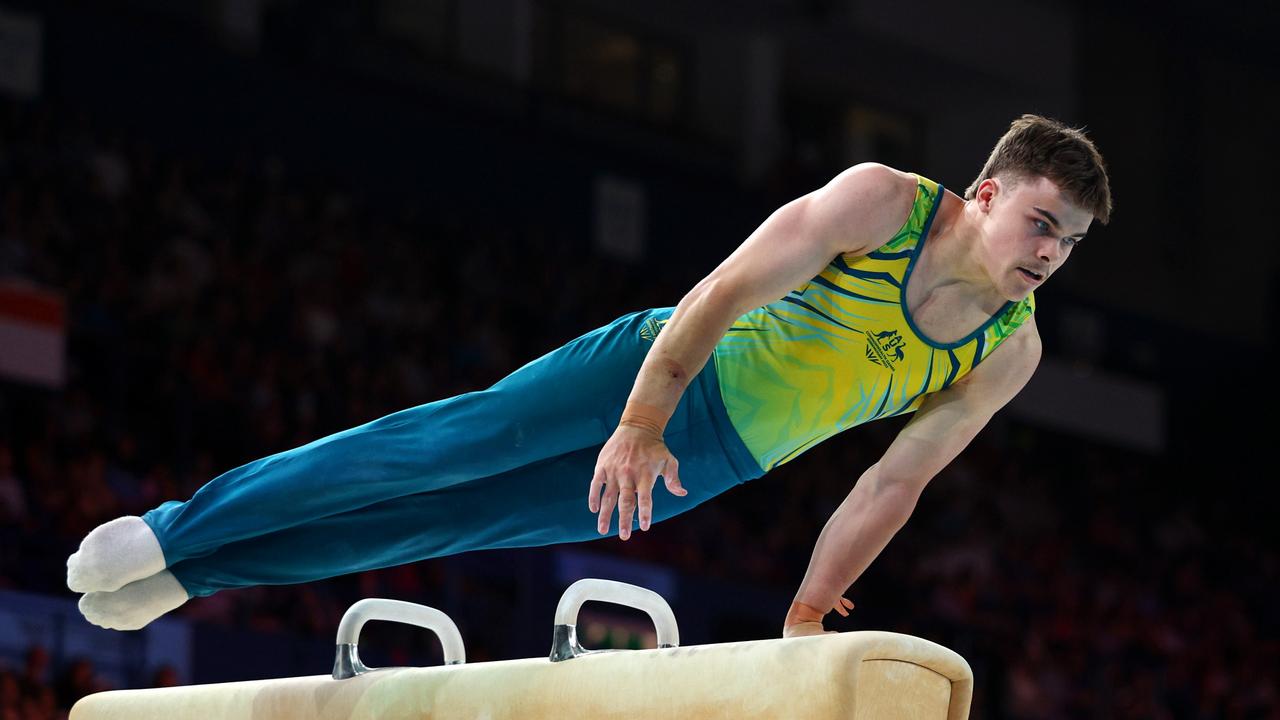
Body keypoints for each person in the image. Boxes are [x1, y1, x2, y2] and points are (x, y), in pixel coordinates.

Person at [67, 114, 1111, 637]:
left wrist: (810, 604)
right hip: (659, 377)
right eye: (1039, 223)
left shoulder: (1005, 350)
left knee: (437, 524)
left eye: (1066, 244)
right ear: (984, 193)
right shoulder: (882, 204)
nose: (1046, 253)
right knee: (430, 455)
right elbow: (719, 291)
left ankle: (187, 576)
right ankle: (173, 527)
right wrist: (640, 419)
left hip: (712, 460)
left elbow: (892, 483)